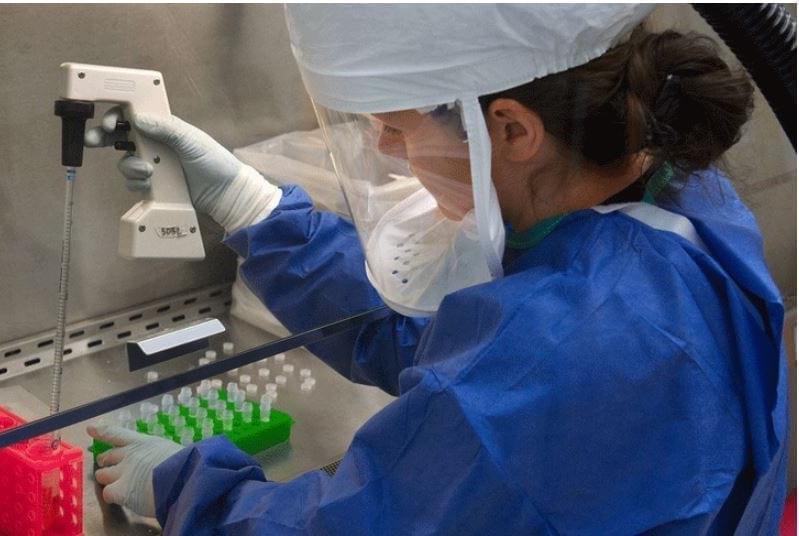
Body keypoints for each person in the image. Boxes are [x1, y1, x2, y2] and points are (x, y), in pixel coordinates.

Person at [86, 5, 788, 534]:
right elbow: (447, 331)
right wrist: (252, 208)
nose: (385, 149)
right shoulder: (663, 195)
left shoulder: (568, 347)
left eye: (395, 126)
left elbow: (365, 523)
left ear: (511, 130)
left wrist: (189, 492)